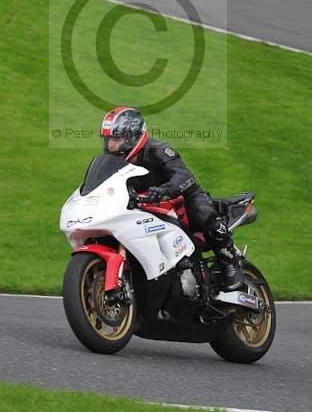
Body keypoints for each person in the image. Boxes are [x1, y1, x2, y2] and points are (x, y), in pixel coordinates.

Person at [99, 106, 243, 291]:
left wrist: (164, 190)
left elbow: (185, 176)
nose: (110, 145)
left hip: (182, 199)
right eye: (108, 139)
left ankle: (230, 262)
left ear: (133, 136)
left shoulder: (158, 150)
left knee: (203, 215)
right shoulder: (115, 165)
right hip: (146, 210)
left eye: (116, 139)